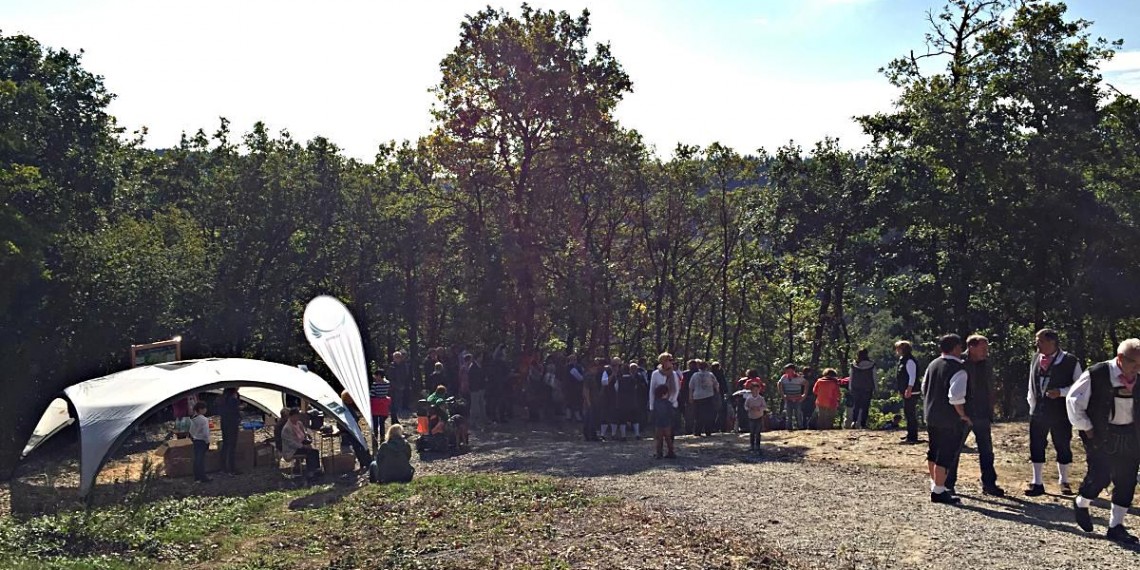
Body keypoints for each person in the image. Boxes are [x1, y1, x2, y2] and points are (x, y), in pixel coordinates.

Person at [1067, 338, 1140, 543]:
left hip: (1131, 434)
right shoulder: (1097, 373)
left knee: (1126, 481)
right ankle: (1081, 502)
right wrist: (1087, 428)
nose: (1137, 368)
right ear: (1120, 359)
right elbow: (1073, 401)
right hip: (1101, 433)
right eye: (1133, 363)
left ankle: (1116, 526)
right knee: (1100, 477)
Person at [1026, 328, 1083, 497]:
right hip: (1039, 411)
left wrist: (1061, 392)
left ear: (1052, 342)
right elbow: (1031, 383)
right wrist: (1032, 406)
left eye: (1040, 341)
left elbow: (1080, 386)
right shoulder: (1035, 358)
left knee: (1062, 444)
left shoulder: (1070, 361)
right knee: (1036, 445)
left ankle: (1064, 481)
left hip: (1060, 411)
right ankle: (1037, 482)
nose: (1037, 344)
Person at [946, 335, 1005, 497]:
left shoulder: (987, 364)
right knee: (955, 450)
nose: (986, 352)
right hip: (963, 414)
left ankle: (989, 484)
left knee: (987, 451)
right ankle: (948, 484)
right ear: (971, 347)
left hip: (982, 413)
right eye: (983, 348)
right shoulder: (959, 363)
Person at [922, 334, 970, 504]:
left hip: (931, 414)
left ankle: (935, 485)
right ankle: (939, 491)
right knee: (945, 454)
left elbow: (923, 387)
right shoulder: (958, 369)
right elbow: (955, 396)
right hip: (948, 418)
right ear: (956, 348)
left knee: (933, 451)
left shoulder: (933, 364)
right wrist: (963, 414)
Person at [649, 353, 681, 444]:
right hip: (659, 405)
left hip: (671, 404)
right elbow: (652, 390)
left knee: (670, 429)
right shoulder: (655, 374)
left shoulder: (674, 374)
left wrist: (671, 401)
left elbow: (676, 389)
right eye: (669, 360)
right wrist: (652, 405)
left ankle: (671, 450)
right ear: (663, 361)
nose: (672, 362)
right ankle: (659, 451)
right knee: (659, 429)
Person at [282, 408, 321, 478]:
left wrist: (307, 437)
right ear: (291, 416)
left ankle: (316, 469)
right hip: (292, 449)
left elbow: (303, 434)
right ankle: (310, 472)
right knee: (310, 452)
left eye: (297, 416)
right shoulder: (287, 428)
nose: (296, 418)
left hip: (300, 444)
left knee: (315, 451)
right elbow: (291, 443)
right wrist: (303, 446)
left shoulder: (299, 423)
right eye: (295, 416)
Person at [895, 341, 921, 444]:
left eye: (898, 348)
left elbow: (912, 376)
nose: (896, 350)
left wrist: (909, 389)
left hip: (911, 391)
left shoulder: (909, 361)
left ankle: (913, 436)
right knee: (907, 412)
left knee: (910, 413)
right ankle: (910, 433)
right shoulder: (902, 360)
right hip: (906, 391)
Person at [689, 360, 721, 437]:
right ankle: (708, 431)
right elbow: (716, 385)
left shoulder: (695, 375)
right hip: (708, 396)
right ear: (707, 367)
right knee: (708, 415)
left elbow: (691, 387)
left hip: (697, 396)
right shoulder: (710, 375)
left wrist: (690, 397)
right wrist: (717, 392)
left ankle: (697, 431)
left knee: (698, 415)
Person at [848, 349, 876, 429]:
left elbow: (851, 377)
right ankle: (863, 424)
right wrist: (875, 388)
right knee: (865, 406)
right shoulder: (872, 365)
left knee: (856, 405)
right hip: (867, 388)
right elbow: (874, 377)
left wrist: (850, 387)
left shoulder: (854, 365)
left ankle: (854, 421)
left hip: (856, 388)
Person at [219, 387, 241, 475]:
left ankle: (223, 467)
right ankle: (231, 468)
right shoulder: (233, 399)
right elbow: (235, 412)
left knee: (225, 445)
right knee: (232, 446)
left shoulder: (222, 399)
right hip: (232, 424)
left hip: (224, 423)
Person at [777, 364, 806, 431]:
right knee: (788, 415)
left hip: (797, 398)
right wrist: (782, 394)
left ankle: (800, 427)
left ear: (793, 370)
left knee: (798, 414)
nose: (788, 373)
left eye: (789, 371)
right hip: (788, 398)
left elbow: (806, 384)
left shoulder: (799, 377)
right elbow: (779, 384)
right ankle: (789, 428)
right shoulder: (784, 377)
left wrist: (804, 395)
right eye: (787, 371)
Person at [369, 368, 392, 446]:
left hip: (375, 404)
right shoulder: (387, 383)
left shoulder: (375, 384)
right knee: (382, 422)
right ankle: (382, 437)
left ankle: (375, 437)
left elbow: (372, 395)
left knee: (375, 422)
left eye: (376, 375)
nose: (375, 377)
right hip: (383, 404)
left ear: (379, 376)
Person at [190, 401, 211, 483]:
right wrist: (207, 441)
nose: (206, 410)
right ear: (201, 409)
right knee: (201, 460)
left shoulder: (193, 419)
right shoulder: (204, 420)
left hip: (195, 440)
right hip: (202, 441)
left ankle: (197, 477)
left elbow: (191, 431)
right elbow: (206, 432)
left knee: (196, 459)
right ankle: (203, 477)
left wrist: (194, 437)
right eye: (204, 408)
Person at [652, 384, 675, 459]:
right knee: (668, 438)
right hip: (667, 423)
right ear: (664, 394)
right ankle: (671, 452)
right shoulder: (668, 403)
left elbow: (654, 413)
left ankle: (659, 453)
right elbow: (671, 413)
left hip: (658, 423)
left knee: (659, 439)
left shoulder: (656, 403)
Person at [745, 379, 768, 454]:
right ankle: (752, 445)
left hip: (759, 417)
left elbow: (765, 407)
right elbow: (745, 406)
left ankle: (758, 446)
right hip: (751, 417)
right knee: (752, 432)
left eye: (757, 390)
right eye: (754, 390)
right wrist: (750, 408)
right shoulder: (749, 398)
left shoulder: (761, 398)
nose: (756, 391)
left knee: (758, 432)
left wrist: (759, 408)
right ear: (751, 390)